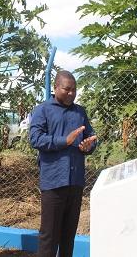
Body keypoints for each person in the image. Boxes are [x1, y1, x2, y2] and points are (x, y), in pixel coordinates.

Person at [29, 70, 97, 257]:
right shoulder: (42, 110)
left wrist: (88, 145)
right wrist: (64, 140)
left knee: (69, 235)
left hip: (75, 181)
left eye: (74, 90)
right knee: (49, 235)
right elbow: (35, 139)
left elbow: (90, 136)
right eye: (67, 89)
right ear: (56, 87)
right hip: (53, 181)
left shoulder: (80, 111)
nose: (71, 93)